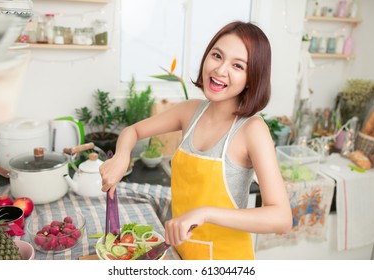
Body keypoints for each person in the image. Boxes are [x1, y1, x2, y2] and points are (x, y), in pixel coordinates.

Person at [100, 21, 292, 260]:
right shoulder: (190, 112)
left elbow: (282, 219)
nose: (220, 70)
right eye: (217, 55)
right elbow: (133, 131)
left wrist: (206, 213)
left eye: (237, 65)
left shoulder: (253, 130)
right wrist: (121, 156)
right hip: (182, 254)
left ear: (252, 78)